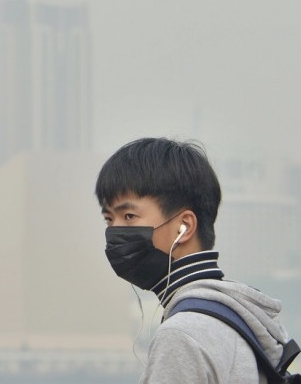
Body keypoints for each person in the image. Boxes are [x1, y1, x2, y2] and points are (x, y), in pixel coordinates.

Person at [96, 137, 294, 383]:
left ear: (185, 226)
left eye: (129, 216)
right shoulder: (241, 317)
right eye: (108, 220)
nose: (115, 232)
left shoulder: (182, 335)